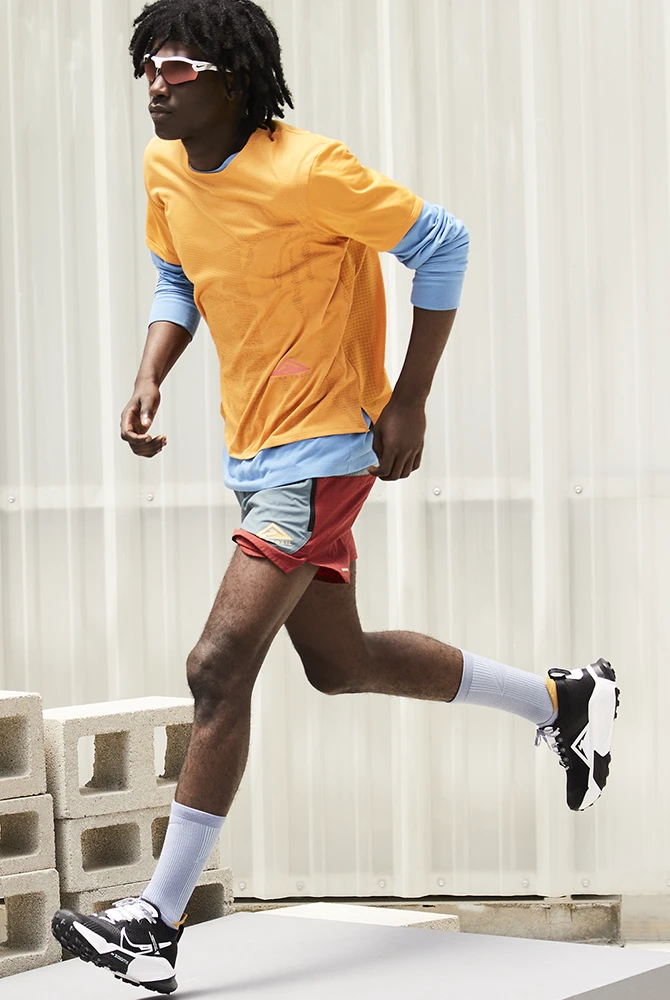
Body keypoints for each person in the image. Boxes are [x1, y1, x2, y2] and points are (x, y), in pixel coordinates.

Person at [51, 0, 620, 993]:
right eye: (147, 66)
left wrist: (410, 399)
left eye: (176, 68)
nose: (155, 85)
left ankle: (154, 922)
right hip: (254, 451)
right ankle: (565, 699)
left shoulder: (310, 170)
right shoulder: (165, 169)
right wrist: (150, 373)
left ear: (232, 78)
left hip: (321, 451)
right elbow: (176, 275)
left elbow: (442, 242)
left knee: (217, 666)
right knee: (339, 664)